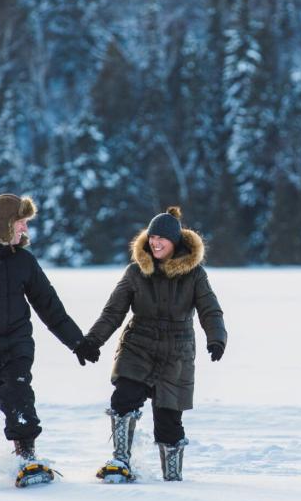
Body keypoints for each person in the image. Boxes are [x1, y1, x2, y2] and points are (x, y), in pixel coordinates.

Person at [0, 193, 99, 488]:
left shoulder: (23, 260)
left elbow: (50, 306)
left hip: (15, 346)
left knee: (19, 397)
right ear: (4, 224)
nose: (25, 229)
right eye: (21, 223)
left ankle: (27, 461)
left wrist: (78, 342)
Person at [76, 206, 227, 483]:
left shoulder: (194, 275)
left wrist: (217, 338)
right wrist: (92, 341)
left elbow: (210, 310)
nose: (155, 242)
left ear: (176, 242)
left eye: (162, 239)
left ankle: (173, 478)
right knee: (124, 398)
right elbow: (113, 312)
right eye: (152, 237)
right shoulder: (136, 272)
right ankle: (120, 460)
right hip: (138, 346)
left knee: (169, 420)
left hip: (177, 353)